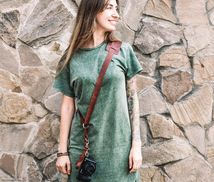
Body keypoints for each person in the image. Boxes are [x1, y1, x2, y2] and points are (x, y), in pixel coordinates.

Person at [53, 0, 143, 181]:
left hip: (119, 150)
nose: (116, 14)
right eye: (110, 7)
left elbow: (132, 99)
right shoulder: (71, 57)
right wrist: (62, 152)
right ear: (92, 9)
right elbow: (68, 105)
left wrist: (136, 145)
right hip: (84, 151)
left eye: (116, 9)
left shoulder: (123, 51)